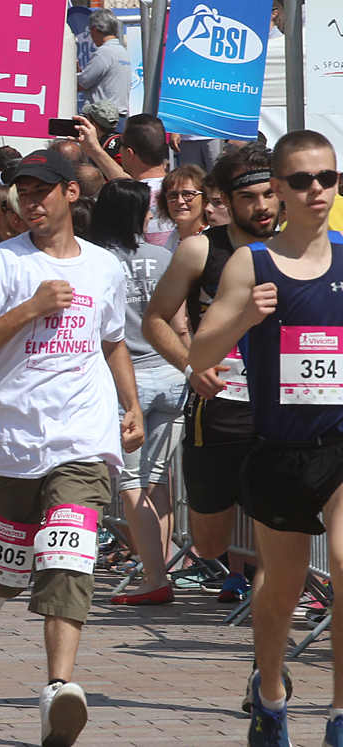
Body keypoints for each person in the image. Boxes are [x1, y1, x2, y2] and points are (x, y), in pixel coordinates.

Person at [0, 148, 143, 747]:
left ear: (70, 195)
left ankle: (59, 689)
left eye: (41, 191)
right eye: (20, 193)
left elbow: (111, 341)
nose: (29, 202)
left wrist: (129, 404)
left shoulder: (104, 268)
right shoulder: (1, 267)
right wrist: (30, 309)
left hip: (81, 436)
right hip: (9, 440)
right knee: (10, 576)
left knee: (69, 554)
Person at [187, 130, 343, 747]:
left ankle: (338, 715)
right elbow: (201, 352)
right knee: (279, 587)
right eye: (301, 180)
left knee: (342, 564)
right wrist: (248, 315)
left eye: (326, 178)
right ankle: (271, 693)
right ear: (276, 189)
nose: (316, 191)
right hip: (280, 448)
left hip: (340, 441)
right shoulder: (253, 263)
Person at [142, 143, 279, 614]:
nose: (261, 206)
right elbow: (156, 319)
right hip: (221, 405)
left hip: (290, 405)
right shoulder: (201, 249)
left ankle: (273, 595)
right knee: (211, 538)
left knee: (284, 518)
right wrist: (190, 365)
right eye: (248, 196)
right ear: (224, 197)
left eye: (268, 193)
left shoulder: (301, 248)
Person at [87, 179, 185, 606]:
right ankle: (160, 569)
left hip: (125, 380)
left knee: (130, 482)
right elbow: (178, 322)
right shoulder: (163, 256)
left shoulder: (94, 260)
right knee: (157, 482)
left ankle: (154, 576)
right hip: (171, 374)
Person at [76, 114, 175, 247]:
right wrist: (94, 150)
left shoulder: (135, 199)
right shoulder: (180, 190)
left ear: (129, 153)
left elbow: (128, 189)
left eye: (119, 144)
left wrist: (95, 150)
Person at [77, 10, 131, 129]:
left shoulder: (104, 52)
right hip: (119, 117)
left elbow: (80, 84)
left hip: (102, 120)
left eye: (90, 30)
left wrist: (71, 72)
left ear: (95, 29)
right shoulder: (122, 52)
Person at [155, 165, 209, 252]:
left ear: (205, 199)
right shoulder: (174, 238)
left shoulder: (210, 241)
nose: (180, 201)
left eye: (188, 194)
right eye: (172, 195)